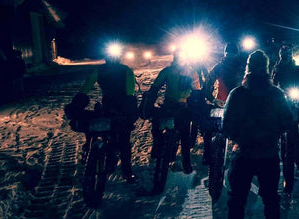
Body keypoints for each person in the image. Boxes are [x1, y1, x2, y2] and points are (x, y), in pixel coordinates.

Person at [221, 50, 293, 219]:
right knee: (271, 198)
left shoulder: (237, 94)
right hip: (269, 154)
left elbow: (226, 126)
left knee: (237, 201)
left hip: (243, 153)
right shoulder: (277, 94)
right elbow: (288, 122)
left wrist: (241, 138)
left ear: (248, 67)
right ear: (268, 68)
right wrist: (273, 134)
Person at [64, 47, 139, 183]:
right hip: (121, 109)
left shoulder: (99, 71)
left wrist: (76, 104)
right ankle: (127, 172)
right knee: (124, 141)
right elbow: (130, 92)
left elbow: (85, 89)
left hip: (108, 107)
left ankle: (97, 155)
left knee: (105, 132)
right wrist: (130, 111)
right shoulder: (126, 70)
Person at [142, 49, 200, 174]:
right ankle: (186, 164)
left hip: (171, 106)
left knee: (165, 130)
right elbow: (196, 93)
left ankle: (159, 152)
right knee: (184, 135)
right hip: (180, 107)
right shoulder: (190, 72)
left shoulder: (169, 71)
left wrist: (149, 104)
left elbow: (154, 88)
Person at [201, 42, 245, 165]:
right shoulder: (240, 67)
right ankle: (207, 154)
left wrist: (213, 99)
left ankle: (208, 154)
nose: (230, 58)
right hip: (224, 104)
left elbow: (207, 86)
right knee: (209, 128)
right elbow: (207, 86)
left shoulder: (240, 68)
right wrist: (213, 100)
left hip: (228, 104)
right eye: (229, 55)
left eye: (232, 55)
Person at [272, 44, 299, 176]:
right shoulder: (277, 68)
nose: (286, 58)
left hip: (293, 99)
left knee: (295, 132)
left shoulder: (297, 68)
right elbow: (274, 84)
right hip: (281, 99)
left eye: (287, 55)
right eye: (284, 56)